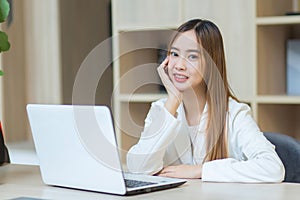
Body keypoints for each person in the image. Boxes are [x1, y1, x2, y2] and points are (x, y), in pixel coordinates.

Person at [126, 19, 285, 182]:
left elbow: (272, 168)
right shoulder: (162, 109)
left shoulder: (234, 114)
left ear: (211, 63)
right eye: (174, 54)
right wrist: (173, 100)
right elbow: (139, 169)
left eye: (192, 56)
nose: (179, 65)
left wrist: (200, 171)